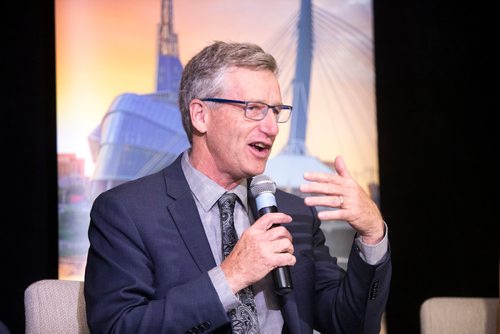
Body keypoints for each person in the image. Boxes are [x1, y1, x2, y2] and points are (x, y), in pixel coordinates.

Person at [84, 41, 391, 334]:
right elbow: (118, 327)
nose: (271, 128)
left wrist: (373, 235)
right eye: (254, 108)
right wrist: (231, 277)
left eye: (275, 111)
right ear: (201, 115)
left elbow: (351, 326)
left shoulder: (294, 213)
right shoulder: (127, 212)